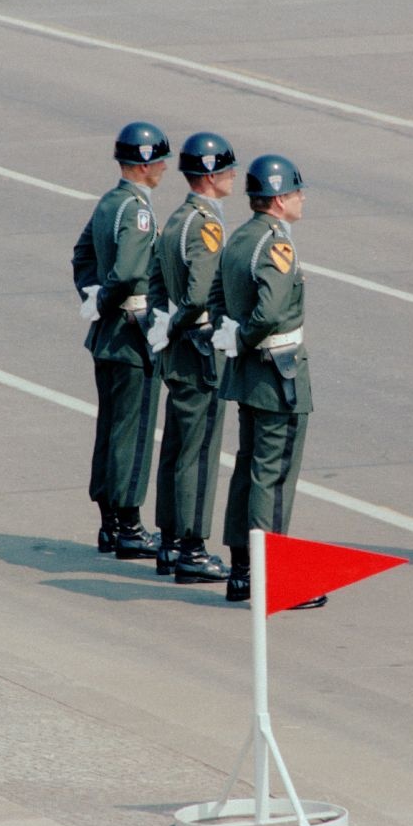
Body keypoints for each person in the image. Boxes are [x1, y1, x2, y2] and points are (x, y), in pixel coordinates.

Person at [209, 154, 324, 609]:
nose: (301, 199)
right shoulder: (277, 244)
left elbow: (216, 293)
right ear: (278, 199)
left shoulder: (240, 238)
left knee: (248, 469)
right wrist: (248, 333)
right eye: (296, 192)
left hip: (250, 373)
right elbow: (272, 311)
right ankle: (269, 576)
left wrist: (233, 333)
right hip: (280, 373)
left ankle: (242, 570)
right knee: (272, 476)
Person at [71, 121, 169, 561]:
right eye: (160, 160)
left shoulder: (110, 202)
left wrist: (93, 295)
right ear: (145, 164)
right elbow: (130, 271)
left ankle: (110, 524)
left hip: (108, 333)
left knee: (111, 427)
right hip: (132, 332)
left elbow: (83, 254)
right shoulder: (137, 210)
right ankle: (128, 526)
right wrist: (109, 298)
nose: (164, 168)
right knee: (133, 428)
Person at [144, 132, 238, 584]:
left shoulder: (177, 218)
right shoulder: (206, 224)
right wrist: (187, 324)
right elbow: (202, 293)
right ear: (212, 176)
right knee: (198, 453)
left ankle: (168, 543)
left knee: (176, 449)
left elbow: (156, 280)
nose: (234, 177)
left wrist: (163, 328)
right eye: (228, 170)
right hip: (200, 350)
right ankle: (192, 549)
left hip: (179, 349)